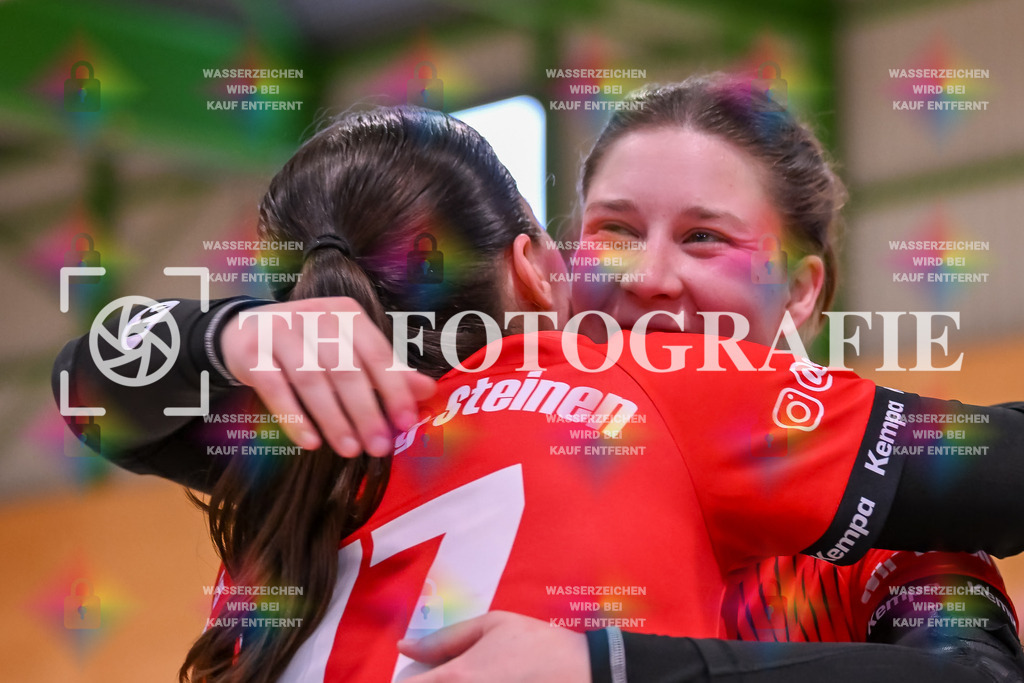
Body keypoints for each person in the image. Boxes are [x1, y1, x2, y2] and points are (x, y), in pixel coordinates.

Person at [53, 98, 1024, 683]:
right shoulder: (357, 442)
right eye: (609, 230)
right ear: (545, 270)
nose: (648, 276)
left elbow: (88, 386)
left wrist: (223, 327)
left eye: (704, 237)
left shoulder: (297, 467)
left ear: (804, 287)